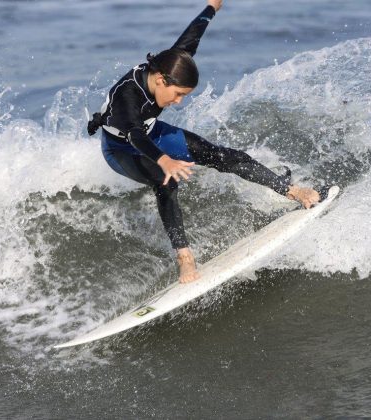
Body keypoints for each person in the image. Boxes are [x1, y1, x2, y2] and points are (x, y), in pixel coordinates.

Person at [87, 0, 320, 283]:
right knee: (165, 180)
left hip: (152, 132)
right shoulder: (127, 96)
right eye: (178, 94)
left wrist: (211, 7)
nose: (179, 102)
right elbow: (134, 135)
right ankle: (185, 257)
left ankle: (291, 190)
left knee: (220, 155)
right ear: (160, 80)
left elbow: (190, 39)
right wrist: (164, 159)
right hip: (120, 148)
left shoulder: (168, 66)